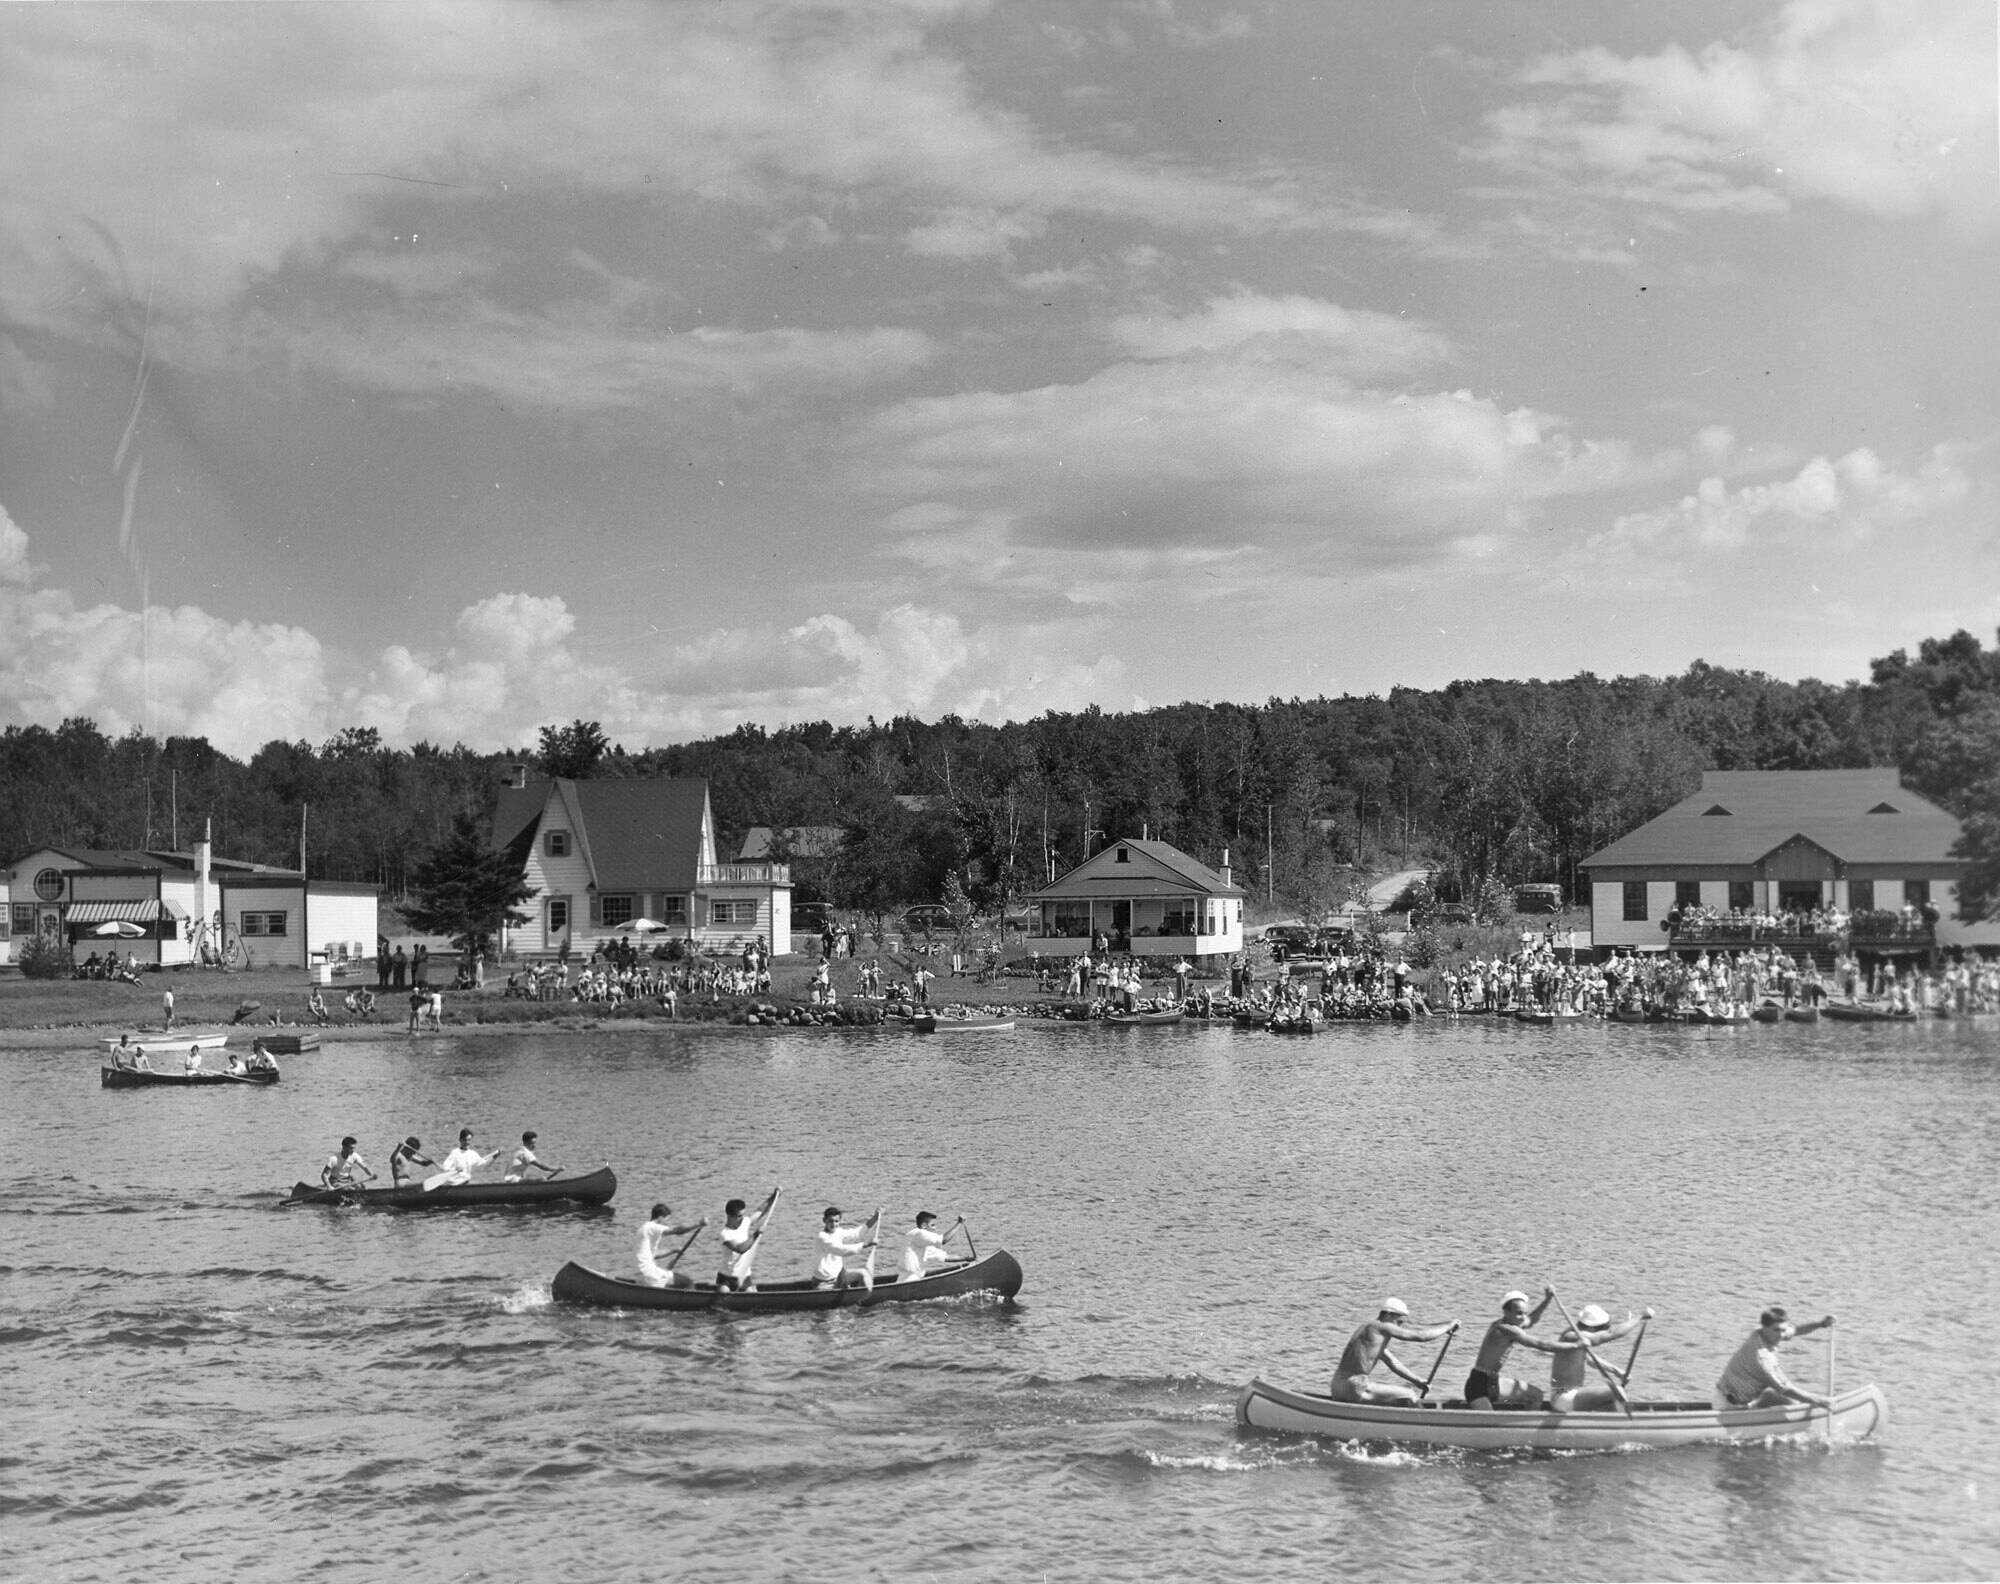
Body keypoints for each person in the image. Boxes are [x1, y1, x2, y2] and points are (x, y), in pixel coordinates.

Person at [1328, 1299, 1458, 1404]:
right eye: (1399, 1321)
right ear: (1388, 1314)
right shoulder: (1382, 1326)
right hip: (1354, 1386)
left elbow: (1392, 1362)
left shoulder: (1368, 1329)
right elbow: (1421, 1336)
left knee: (1397, 1399)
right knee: (1410, 1396)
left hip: (1337, 1386)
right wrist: (1448, 1327)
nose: (1399, 1326)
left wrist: (1417, 1381)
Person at [1714, 1306, 1836, 1410]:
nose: (1781, 1335)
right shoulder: (1761, 1359)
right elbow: (1785, 1389)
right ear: (1764, 1327)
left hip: (1739, 1397)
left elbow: (1797, 1330)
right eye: (1776, 1330)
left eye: (1783, 1330)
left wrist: (1822, 1324)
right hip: (1728, 1406)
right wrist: (1819, 1400)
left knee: (1777, 1396)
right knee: (1792, 1401)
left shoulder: (1766, 1333)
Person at [1464, 1287, 1566, 1408]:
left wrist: (1547, 1300)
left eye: (1525, 1313)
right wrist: (1577, 1345)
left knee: (1536, 1396)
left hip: (1493, 1382)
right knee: (1489, 1424)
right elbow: (1541, 1345)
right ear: (1506, 1312)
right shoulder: (1504, 1329)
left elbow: (1531, 1320)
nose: (1523, 1317)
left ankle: (1529, 1426)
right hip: (1478, 1386)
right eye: (1519, 1313)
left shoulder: (1511, 1322)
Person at [1546, 1302, 1652, 1411]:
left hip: (1570, 1395)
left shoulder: (1576, 1337)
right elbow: (1613, 1334)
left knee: (1613, 1399)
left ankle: (1609, 1422)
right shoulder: (1572, 1336)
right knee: (1617, 1392)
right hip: (1564, 1397)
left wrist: (1617, 1371)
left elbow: (1589, 1359)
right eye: (1602, 1329)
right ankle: (1626, 1424)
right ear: (1592, 1329)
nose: (1604, 1331)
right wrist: (1640, 1317)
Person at [636, 1202, 708, 1288]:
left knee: (673, 1282)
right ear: (660, 1218)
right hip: (650, 1274)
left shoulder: (643, 1229)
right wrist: (698, 1225)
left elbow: (653, 1255)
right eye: (666, 1221)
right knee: (688, 1282)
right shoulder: (652, 1226)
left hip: (640, 1276)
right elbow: (677, 1230)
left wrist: (673, 1250)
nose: (665, 1224)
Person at [717, 1193, 777, 1292]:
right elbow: (740, 1249)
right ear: (729, 1216)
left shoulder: (744, 1222)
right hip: (727, 1277)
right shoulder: (724, 1234)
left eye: (743, 1215)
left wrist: (773, 1197)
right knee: (723, 1293)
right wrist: (756, 1234)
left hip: (744, 1276)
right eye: (739, 1216)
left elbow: (760, 1211)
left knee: (751, 1294)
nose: (742, 1219)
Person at [812, 1206, 881, 1290]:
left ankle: (857, 1298)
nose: (833, 1224)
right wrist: (865, 1244)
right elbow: (840, 1250)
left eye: (836, 1221)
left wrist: (875, 1218)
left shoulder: (838, 1232)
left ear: (839, 1221)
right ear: (824, 1220)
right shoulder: (821, 1237)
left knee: (864, 1274)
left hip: (840, 1277)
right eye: (830, 1221)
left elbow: (857, 1233)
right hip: (824, 1282)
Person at [899, 1211, 957, 1281]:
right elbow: (943, 1240)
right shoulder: (919, 1234)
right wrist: (959, 1223)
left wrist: (968, 1258)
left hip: (913, 1278)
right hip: (910, 1280)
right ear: (924, 1226)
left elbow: (945, 1257)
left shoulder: (923, 1243)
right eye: (932, 1225)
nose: (935, 1228)